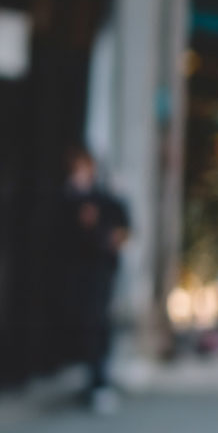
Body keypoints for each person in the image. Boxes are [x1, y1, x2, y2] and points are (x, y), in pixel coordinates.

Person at [57, 147, 130, 413]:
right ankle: (90, 378)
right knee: (83, 322)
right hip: (75, 271)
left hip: (100, 270)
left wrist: (111, 237)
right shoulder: (66, 199)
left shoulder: (104, 198)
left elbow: (123, 228)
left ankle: (99, 381)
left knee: (98, 322)